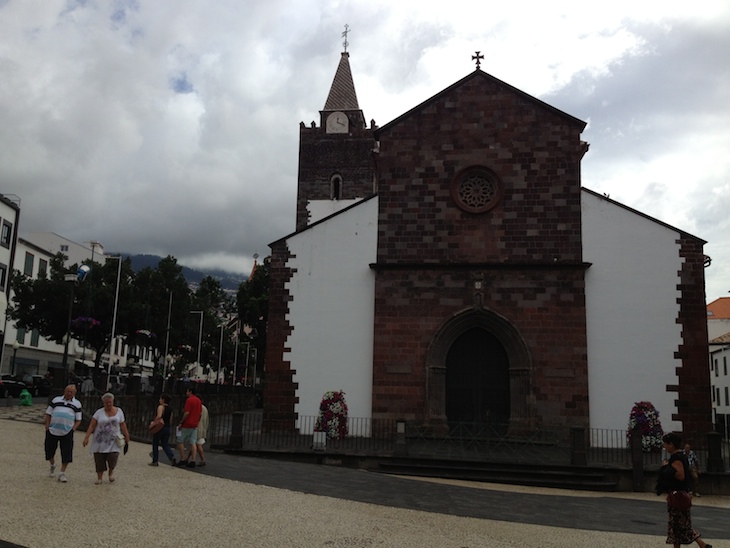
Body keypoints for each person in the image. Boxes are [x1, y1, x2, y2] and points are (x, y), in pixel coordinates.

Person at [658, 433, 712, 548]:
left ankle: (701, 545)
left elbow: (680, 476)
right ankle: (702, 545)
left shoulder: (676, 458)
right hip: (683, 493)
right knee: (683, 524)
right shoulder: (682, 456)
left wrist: (667, 467)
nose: (665, 447)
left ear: (671, 444)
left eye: (666, 444)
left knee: (676, 525)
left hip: (678, 494)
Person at [82, 392, 130, 484]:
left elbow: (122, 424)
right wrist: (86, 437)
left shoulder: (119, 411)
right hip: (100, 440)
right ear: (103, 403)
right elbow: (92, 425)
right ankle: (99, 477)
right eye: (106, 402)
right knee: (99, 459)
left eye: (110, 402)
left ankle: (111, 472)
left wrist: (127, 435)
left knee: (113, 457)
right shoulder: (99, 412)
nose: (108, 404)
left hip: (114, 440)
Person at [44, 384, 82, 483]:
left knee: (66, 452)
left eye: (71, 392)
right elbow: (48, 413)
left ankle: (62, 473)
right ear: (64, 391)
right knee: (49, 450)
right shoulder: (56, 400)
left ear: (74, 393)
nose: (69, 393)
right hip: (52, 430)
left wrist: (73, 429)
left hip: (67, 431)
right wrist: (47, 425)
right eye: (67, 391)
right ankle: (52, 464)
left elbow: (78, 419)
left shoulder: (77, 404)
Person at [175, 385, 202, 468]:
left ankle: (183, 458)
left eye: (187, 391)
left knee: (180, 440)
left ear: (190, 392)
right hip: (194, 424)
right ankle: (193, 460)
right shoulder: (198, 400)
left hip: (187, 424)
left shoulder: (189, 400)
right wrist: (197, 420)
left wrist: (181, 422)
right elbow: (200, 414)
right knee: (193, 442)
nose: (186, 393)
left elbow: (187, 413)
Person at [149, 393, 175, 466]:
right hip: (167, 427)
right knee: (165, 444)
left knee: (155, 443)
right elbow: (170, 420)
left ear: (163, 400)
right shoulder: (170, 409)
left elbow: (159, 416)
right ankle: (171, 457)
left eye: (160, 399)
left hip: (160, 427)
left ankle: (155, 460)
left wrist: (154, 422)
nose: (159, 400)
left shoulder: (161, 407)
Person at [186, 402, 209, 466]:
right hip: (202, 428)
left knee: (197, 444)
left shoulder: (198, 408)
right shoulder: (204, 408)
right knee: (194, 444)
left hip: (197, 428)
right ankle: (187, 458)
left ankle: (202, 460)